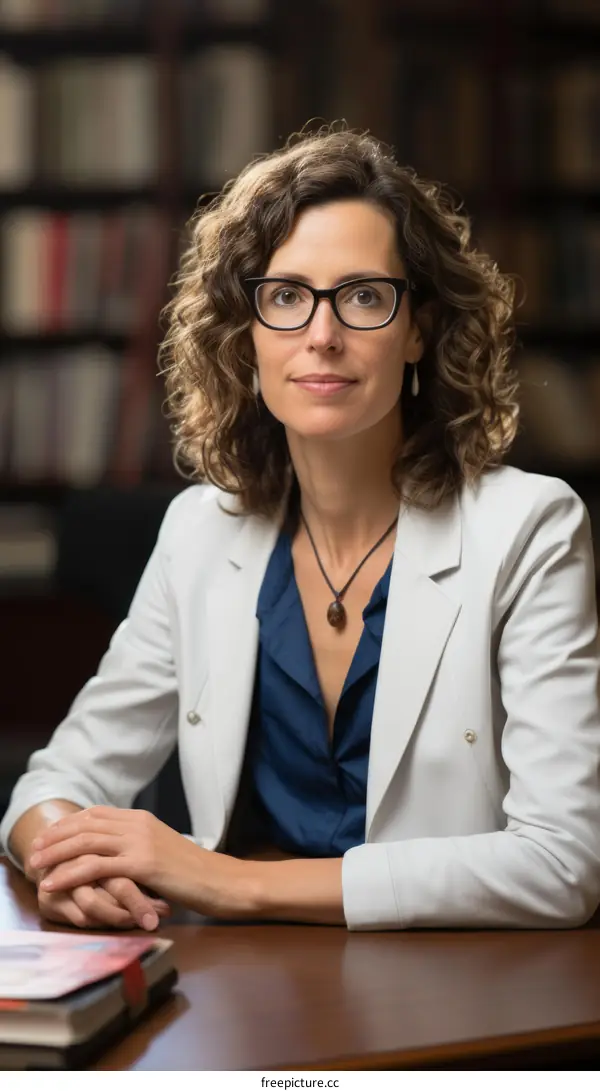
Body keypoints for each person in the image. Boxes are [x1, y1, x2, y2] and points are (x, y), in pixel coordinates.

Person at [2, 124, 600, 933]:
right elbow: (55, 783)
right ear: (246, 333)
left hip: (455, 985)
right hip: (242, 986)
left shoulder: (529, 528)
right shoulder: (199, 534)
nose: (322, 334)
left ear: (418, 328)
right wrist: (64, 861)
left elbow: (563, 863)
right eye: (286, 296)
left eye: (363, 296)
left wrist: (227, 882)